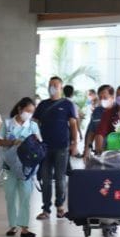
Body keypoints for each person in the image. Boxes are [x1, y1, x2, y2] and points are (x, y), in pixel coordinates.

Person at [33, 76, 78, 220]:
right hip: (44, 148)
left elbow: (73, 125)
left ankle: (60, 207)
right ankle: (46, 209)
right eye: (50, 84)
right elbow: (34, 123)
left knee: (60, 179)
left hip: (62, 147)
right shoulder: (43, 105)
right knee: (45, 179)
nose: (52, 87)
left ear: (61, 87)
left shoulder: (67, 104)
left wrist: (74, 143)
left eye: (55, 85)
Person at [0, 97, 40, 237]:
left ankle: (24, 228)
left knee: (26, 196)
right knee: (10, 195)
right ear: (19, 109)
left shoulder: (33, 126)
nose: (29, 114)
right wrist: (12, 142)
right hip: (8, 166)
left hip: (26, 169)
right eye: (27, 110)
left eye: (31, 112)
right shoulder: (8, 124)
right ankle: (12, 226)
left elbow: (39, 144)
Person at [83, 84, 115, 160]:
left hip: (117, 153)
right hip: (101, 152)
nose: (102, 100)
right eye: (100, 98)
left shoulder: (119, 110)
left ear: (112, 97)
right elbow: (91, 132)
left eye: (105, 97)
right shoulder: (97, 111)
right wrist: (86, 152)